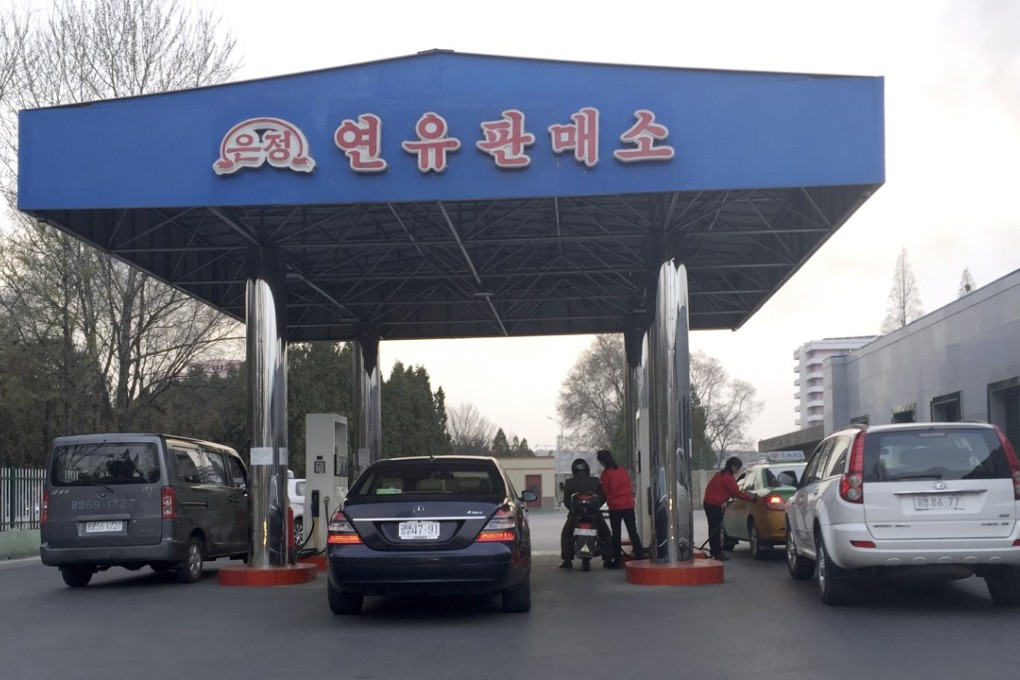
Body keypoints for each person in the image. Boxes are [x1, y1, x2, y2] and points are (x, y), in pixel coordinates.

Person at [596, 449, 645, 568]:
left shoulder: (606, 474)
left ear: (603, 461)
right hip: (628, 504)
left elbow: (605, 491)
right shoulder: (622, 470)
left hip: (615, 506)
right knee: (632, 531)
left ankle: (617, 560)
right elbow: (629, 484)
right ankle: (640, 555)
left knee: (616, 533)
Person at [559, 458, 611, 569]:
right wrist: (596, 507)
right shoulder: (595, 481)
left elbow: (567, 502)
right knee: (606, 534)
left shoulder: (569, 482)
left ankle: (567, 561)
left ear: (574, 470)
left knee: (566, 534)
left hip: (575, 515)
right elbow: (603, 497)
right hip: (594, 514)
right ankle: (608, 559)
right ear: (587, 469)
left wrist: (573, 509)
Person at [702, 456, 756, 561]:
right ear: (733, 466)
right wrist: (751, 498)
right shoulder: (727, 477)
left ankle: (715, 551)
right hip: (714, 505)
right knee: (715, 530)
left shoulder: (720, 474)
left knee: (714, 529)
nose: (738, 471)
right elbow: (736, 492)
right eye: (738, 468)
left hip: (709, 503)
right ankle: (717, 553)